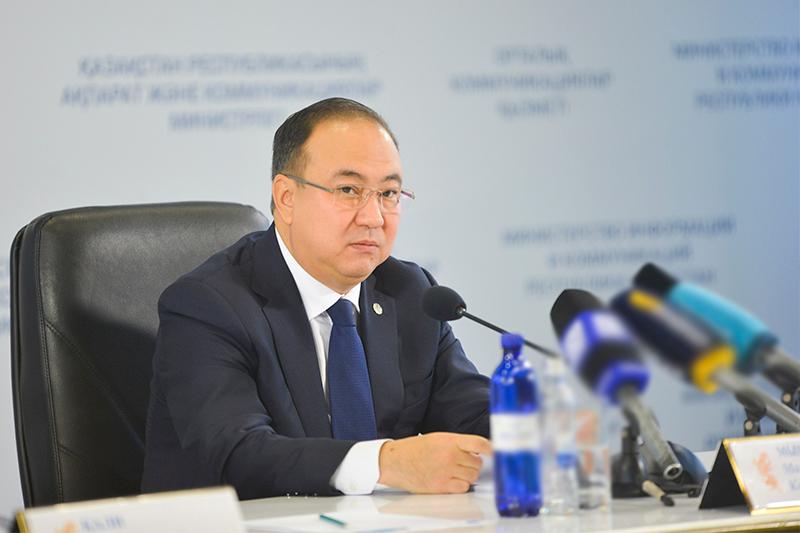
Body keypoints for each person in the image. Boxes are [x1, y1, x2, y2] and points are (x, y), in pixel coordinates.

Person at [142, 97, 491, 499]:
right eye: (348, 190)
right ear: (286, 198)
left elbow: (474, 413)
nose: (374, 217)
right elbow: (239, 453)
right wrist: (386, 463)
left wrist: (541, 430)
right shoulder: (208, 305)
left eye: (389, 193)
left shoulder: (410, 292)